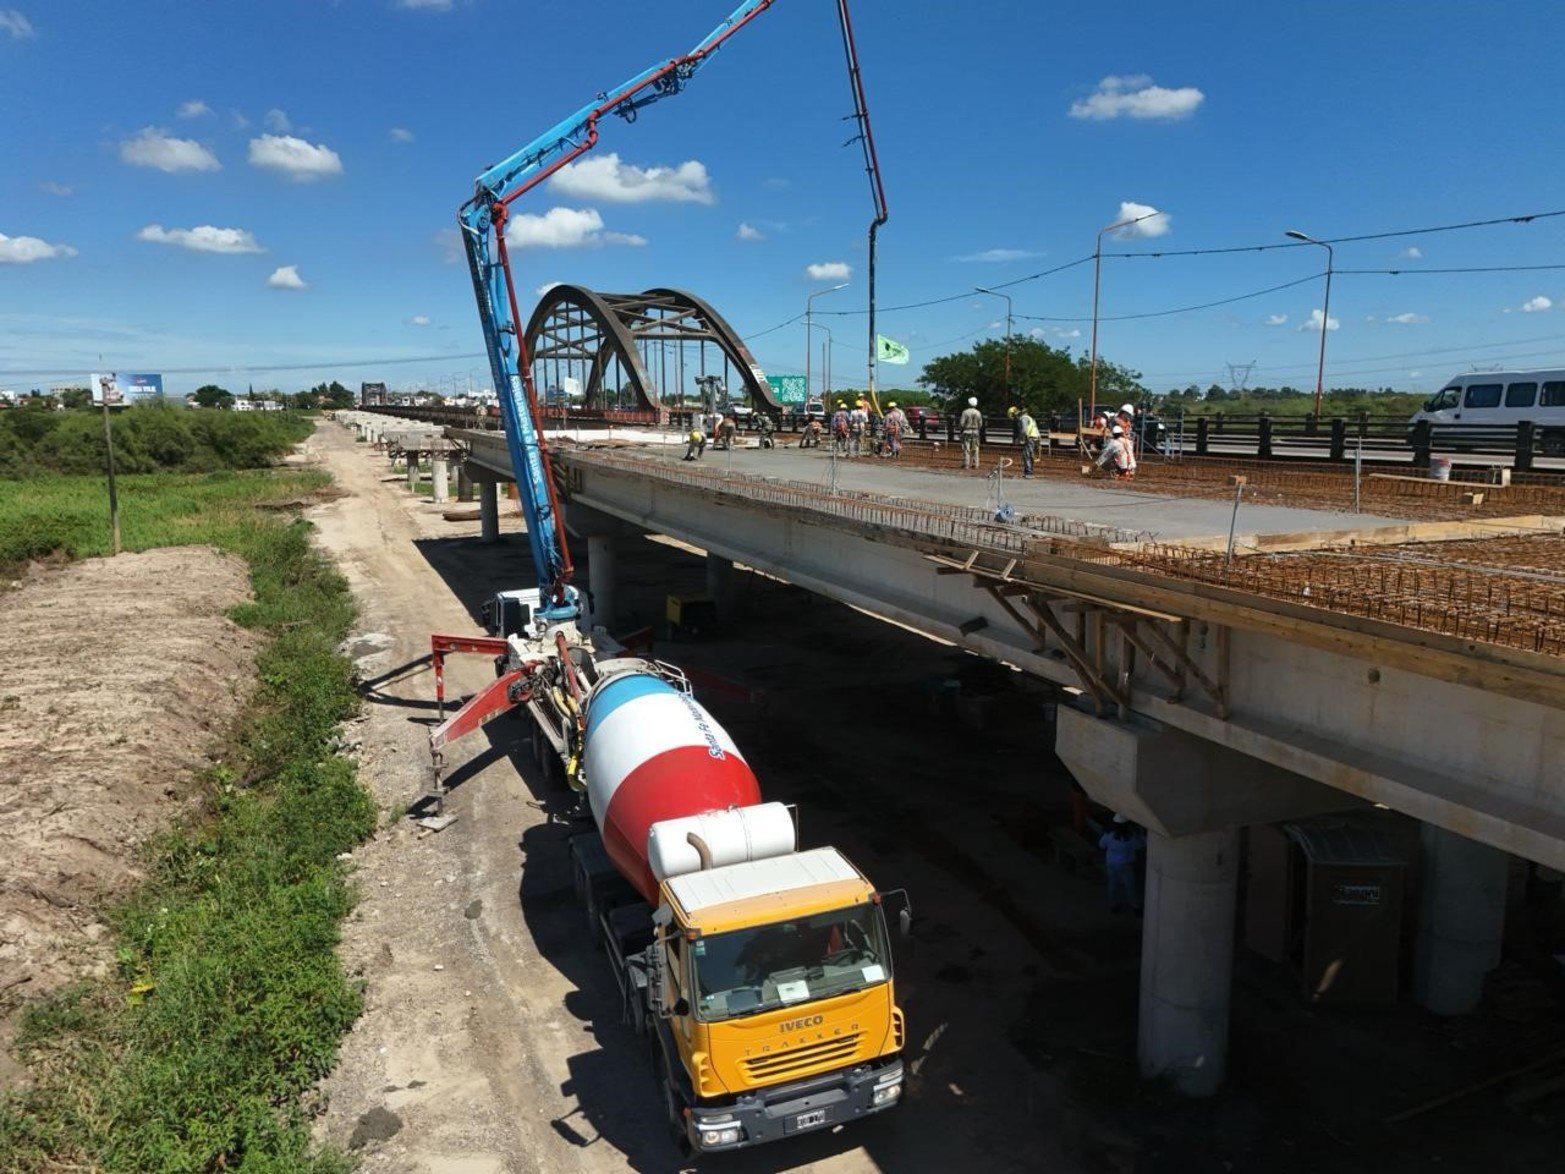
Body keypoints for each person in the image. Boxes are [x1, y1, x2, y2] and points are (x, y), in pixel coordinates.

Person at [1098, 815, 1144, 914]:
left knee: (1112, 884)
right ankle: (1134, 906)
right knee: (1130, 886)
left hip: (1111, 863)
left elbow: (1101, 845)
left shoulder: (1109, 835)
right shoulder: (1131, 837)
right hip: (1126, 865)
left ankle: (1112, 905)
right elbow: (1141, 845)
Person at [1013, 405, 1040, 477]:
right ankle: (1029, 471)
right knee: (1030, 455)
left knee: (1026, 455)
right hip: (1034, 438)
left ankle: (1028, 472)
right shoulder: (1029, 418)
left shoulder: (1023, 419)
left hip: (1029, 438)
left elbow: (1024, 430)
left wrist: (1019, 439)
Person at [959, 396, 984, 469]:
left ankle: (966, 464)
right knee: (975, 448)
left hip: (967, 431)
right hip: (976, 432)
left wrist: (961, 430)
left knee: (966, 448)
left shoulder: (965, 412)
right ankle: (976, 464)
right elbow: (980, 424)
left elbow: (961, 424)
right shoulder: (978, 412)